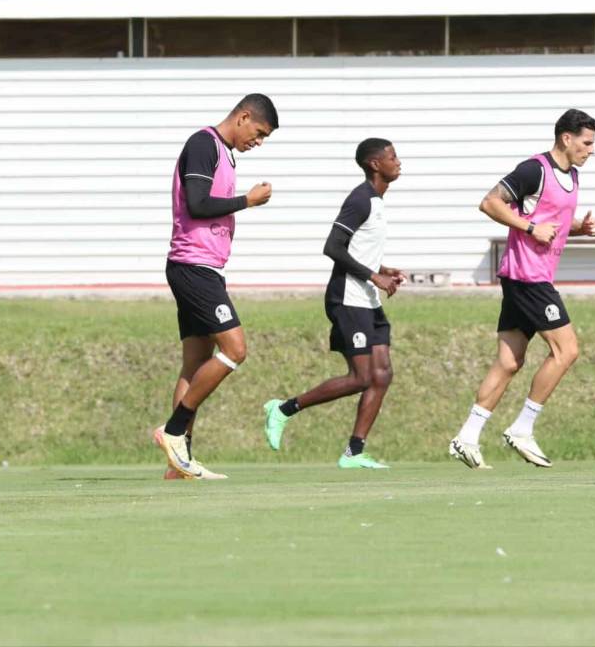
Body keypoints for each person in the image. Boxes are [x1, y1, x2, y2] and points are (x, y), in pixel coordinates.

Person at [449, 109, 595, 469]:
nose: (591, 149)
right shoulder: (534, 169)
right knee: (567, 350)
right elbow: (490, 202)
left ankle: (466, 437)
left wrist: (579, 228)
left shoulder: (573, 176)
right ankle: (522, 428)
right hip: (529, 279)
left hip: (528, 278)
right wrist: (530, 228)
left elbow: (552, 221)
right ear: (566, 138)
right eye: (587, 142)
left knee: (509, 362)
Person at [153, 93, 278, 480]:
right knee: (235, 350)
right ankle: (173, 430)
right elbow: (197, 204)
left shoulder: (223, 152)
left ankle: (179, 466)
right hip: (194, 268)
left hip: (203, 267)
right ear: (242, 117)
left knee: (194, 363)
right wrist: (247, 201)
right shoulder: (203, 144)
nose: (258, 142)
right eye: (258, 133)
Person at [262, 139, 406, 469]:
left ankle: (354, 453)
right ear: (374, 164)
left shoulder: (378, 201)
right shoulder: (360, 199)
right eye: (392, 157)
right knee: (360, 377)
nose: (398, 162)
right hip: (347, 299)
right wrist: (374, 276)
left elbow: (357, 248)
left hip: (367, 301)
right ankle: (283, 409)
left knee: (382, 375)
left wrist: (383, 270)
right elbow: (333, 248)